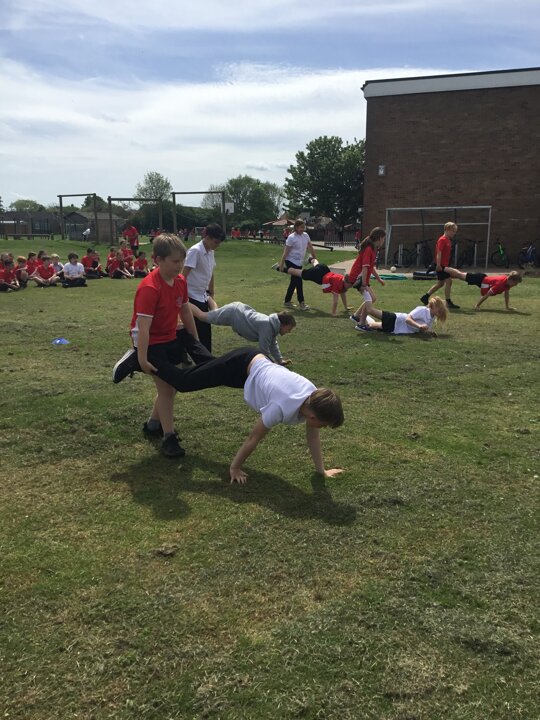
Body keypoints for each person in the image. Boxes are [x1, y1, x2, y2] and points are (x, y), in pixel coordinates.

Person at [151, 347, 345, 483]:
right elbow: (253, 438)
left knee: (206, 366)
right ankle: (147, 357)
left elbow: (313, 437)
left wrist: (322, 470)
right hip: (240, 363)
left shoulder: (313, 397)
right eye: (324, 425)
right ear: (313, 418)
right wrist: (234, 468)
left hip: (254, 365)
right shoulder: (279, 407)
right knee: (185, 383)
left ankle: (153, 422)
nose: (322, 428)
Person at [112, 234, 209, 458]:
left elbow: (185, 311)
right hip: (151, 342)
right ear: (158, 260)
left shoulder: (180, 281)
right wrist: (143, 358)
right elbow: (143, 327)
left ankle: (153, 424)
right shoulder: (150, 288)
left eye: (182, 260)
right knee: (166, 390)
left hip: (170, 337)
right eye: (175, 261)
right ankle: (169, 437)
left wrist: (195, 343)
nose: (180, 266)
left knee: (171, 388)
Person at [190, 301, 296, 364]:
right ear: (283, 325)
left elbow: (273, 345)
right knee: (203, 316)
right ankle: (185, 303)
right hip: (233, 314)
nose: (289, 332)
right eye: (289, 329)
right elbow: (264, 350)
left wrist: (280, 360)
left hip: (237, 311)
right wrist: (272, 365)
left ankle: (208, 297)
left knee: (213, 313)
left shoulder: (272, 327)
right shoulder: (267, 327)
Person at [182, 223, 225, 352]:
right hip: (191, 296)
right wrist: (181, 296)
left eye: (219, 243)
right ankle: (201, 357)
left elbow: (211, 272)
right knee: (196, 330)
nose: (217, 245)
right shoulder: (195, 251)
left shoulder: (210, 252)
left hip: (202, 296)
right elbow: (184, 275)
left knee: (204, 331)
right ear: (207, 237)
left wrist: (211, 293)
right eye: (216, 242)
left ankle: (206, 356)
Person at [273, 259, 354, 316]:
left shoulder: (343, 282)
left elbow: (343, 293)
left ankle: (311, 259)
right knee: (297, 273)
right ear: (345, 282)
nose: (351, 286)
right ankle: (279, 268)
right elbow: (335, 300)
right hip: (318, 275)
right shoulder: (338, 283)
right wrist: (333, 313)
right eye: (350, 285)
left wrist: (346, 307)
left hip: (324, 269)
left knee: (316, 265)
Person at [355, 295, 447, 336]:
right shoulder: (422, 310)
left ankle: (363, 320)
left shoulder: (431, 318)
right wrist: (419, 326)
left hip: (396, 329)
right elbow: (408, 319)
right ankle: (366, 293)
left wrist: (428, 332)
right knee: (370, 310)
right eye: (439, 309)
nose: (440, 311)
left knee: (371, 326)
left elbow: (421, 330)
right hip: (395, 319)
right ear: (432, 307)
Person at [349, 227, 386, 323]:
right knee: (369, 303)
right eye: (383, 238)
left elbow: (370, 267)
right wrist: (364, 284)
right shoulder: (368, 249)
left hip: (362, 279)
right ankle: (361, 324)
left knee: (372, 298)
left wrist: (378, 279)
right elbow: (365, 267)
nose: (384, 241)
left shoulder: (373, 249)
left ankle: (356, 316)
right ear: (379, 238)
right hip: (358, 279)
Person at [278, 219, 317, 310]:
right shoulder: (291, 237)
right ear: (296, 227)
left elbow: (310, 247)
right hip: (290, 261)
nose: (303, 229)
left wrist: (315, 258)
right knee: (298, 281)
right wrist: (282, 264)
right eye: (301, 227)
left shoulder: (306, 235)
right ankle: (301, 303)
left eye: (304, 227)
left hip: (299, 262)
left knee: (294, 282)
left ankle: (287, 302)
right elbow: (286, 252)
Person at [420, 222, 460, 309]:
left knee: (441, 283)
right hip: (441, 265)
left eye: (455, 231)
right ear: (447, 230)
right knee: (448, 281)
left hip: (444, 265)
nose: (454, 233)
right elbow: (439, 252)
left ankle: (425, 297)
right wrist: (438, 265)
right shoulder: (442, 240)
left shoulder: (448, 240)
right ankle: (448, 302)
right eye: (453, 231)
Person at [444, 268, 523, 310]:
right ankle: (444, 268)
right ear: (511, 280)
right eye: (515, 283)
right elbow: (487, 294)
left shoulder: (506, 284)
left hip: (482, 280)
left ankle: (446, 273)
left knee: (459, 276)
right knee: (460, 275)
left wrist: (507, 307)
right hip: (479, 279)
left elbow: (506, 294)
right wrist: (477, 305)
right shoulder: (501, 284)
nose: (515, 285)